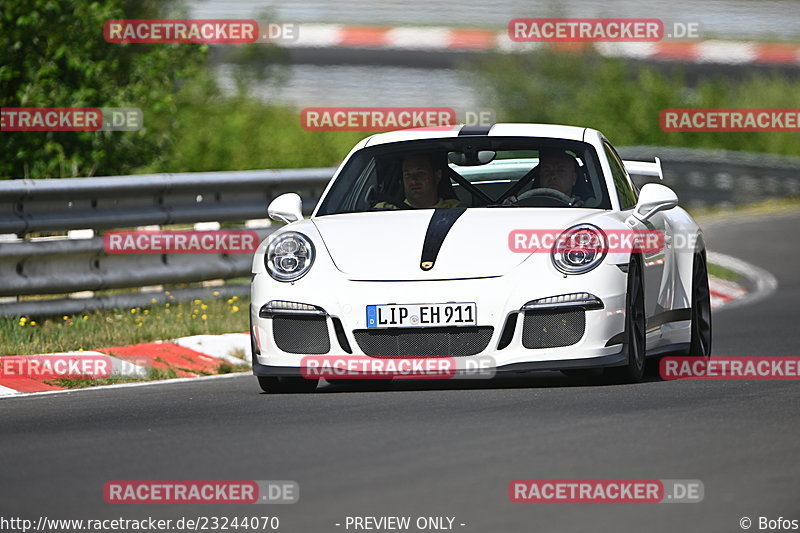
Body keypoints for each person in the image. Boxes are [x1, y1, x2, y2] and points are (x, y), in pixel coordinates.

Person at [373, 153, 461, 209]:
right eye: (407, 175)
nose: (413, 181)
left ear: (437, 176)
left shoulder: (457, 210)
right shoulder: (384, 210)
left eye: (420, 173)